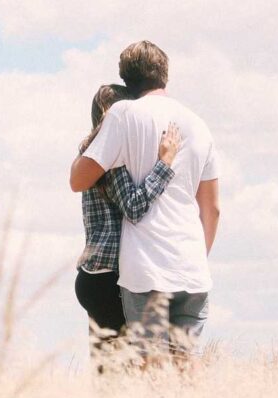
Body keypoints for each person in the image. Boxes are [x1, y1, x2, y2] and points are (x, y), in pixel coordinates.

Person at [70, 41, 221, 358]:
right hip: (190, 266)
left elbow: (81, 181)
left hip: (144, 269)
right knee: (185, 362)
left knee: (142, 367)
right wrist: (196, 256)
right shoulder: (199, 124)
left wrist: (163, 165)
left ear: (127, 79)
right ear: (165, 73)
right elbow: (213, 209)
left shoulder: (124, 116)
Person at [73, 84, 183, 359]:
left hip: (92, 275)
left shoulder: (89, 154)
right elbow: (134, 207)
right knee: (125, 373)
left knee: (107, 373)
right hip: (110, 278)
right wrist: (164, 164)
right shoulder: (112, 157)